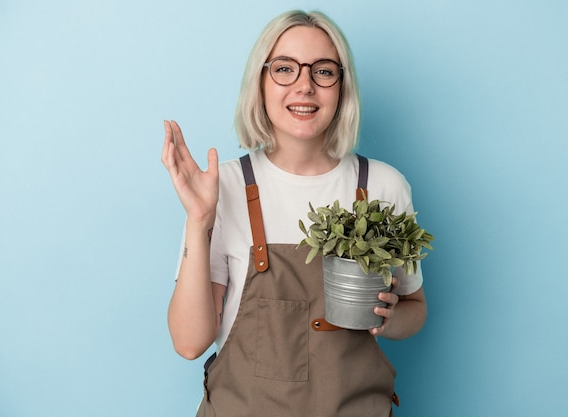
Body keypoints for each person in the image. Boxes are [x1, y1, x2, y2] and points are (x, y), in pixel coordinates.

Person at [161, 9, 427, 417]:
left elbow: (415, 308)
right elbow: (189, 342)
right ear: (261, 82)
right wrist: (200, 221)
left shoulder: (383, 186)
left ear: (342, 86)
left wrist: (386, 320)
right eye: (285, 69)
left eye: (323, 71)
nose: (304, 86)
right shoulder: (224, 188)